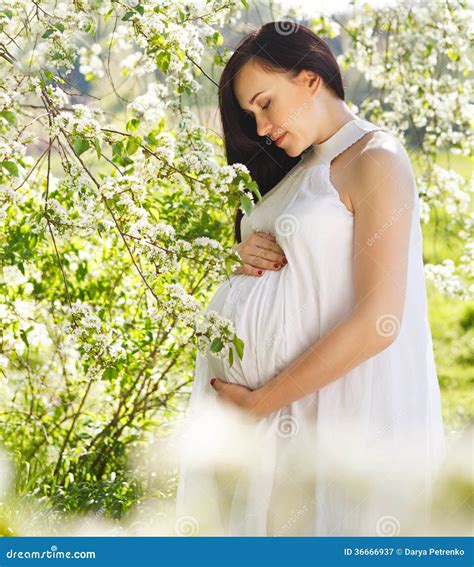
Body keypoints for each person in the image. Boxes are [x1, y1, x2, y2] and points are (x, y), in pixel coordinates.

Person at [175, 21, 446, 536]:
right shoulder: (301, 168)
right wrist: (242, 255)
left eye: (265, 103)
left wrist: (260, 403)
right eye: (250, 114)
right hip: (279, 427)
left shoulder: (375, 159)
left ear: (309, 79)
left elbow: (381, 321)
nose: (259, 128)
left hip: (335, 416)